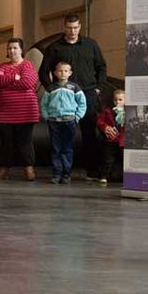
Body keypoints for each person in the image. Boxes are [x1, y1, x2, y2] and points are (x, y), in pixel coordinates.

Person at [38, 14, 107, 180]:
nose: (72, 31)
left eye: (76, 27)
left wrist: (98, 88)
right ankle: (60, 171)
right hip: (62, 96)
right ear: (64, 27)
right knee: (59, 137)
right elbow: (43, 72)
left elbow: (101, 66)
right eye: (69, 27)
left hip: (88, 93)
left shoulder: (91, 45)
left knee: (89, 133)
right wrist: (51, 89)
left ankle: (92, 170)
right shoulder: (54, 48)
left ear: (80, 27)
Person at [0, 38, 38, 180]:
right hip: (6, 113)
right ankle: (4, 170)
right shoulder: (2, 66)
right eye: (9, 48)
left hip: (26, 112)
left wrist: (7, 84)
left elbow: (28, 82)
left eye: (15, 48)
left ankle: (29, 169)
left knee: (25, 142)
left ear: (21, 50)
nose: (12, 51)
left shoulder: (28, 65)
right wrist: (15, 77)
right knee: (6, 143)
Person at [40, 60, 86, 184]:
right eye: (60, 71)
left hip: (69, 121)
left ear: (70, 73)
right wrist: (46, 115)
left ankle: (66, 174)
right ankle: (56, 173)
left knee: (67, 148)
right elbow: (44, 104)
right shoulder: (51, 88)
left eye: (66, 71)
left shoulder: (74, 87)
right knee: (56, 148)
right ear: (55, 73)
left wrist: (77, 116)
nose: (63, 73)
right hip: (54, 122)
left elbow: (82, 103)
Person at [96, 89, 125, 184]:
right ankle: (104, 175)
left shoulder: (126, 113)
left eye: (120, 100)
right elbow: (100, 121)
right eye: (116, 100)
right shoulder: (108, 111)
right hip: (111, 140)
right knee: (108, 159)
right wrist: (105, 128)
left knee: (123, 159)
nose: (118, 102)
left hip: (122, 140)